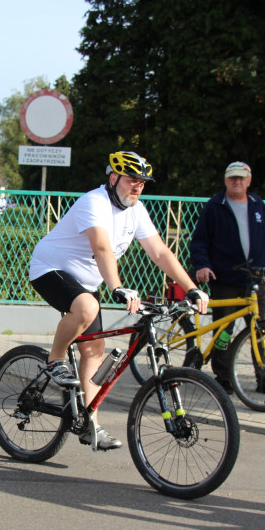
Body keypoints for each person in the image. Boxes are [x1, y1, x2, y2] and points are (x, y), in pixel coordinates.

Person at [28, 150, 209, 450]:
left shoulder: (136, 211)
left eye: (142, 183)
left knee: (94, 352)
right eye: (131, 181)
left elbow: (160, 253)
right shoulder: (94, 202)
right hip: (50, 268)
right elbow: (101, 248)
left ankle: (90, 425)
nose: (137, 187)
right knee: (87, 307)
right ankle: (54, 359)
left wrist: (191, 288)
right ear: (113, 179)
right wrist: (118, 286)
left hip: (85, 281)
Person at [190, 160, 265, 395]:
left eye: (241, 178)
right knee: (225, 331)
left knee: (261, 330)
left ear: (249, 180)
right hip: (226, 278)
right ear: (226, 180)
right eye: (233, 178)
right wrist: (202, 265)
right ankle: (222, 377)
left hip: (255, 279)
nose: (237, 181)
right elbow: (200, 240)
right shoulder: (215, 206)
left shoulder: (258, 205)